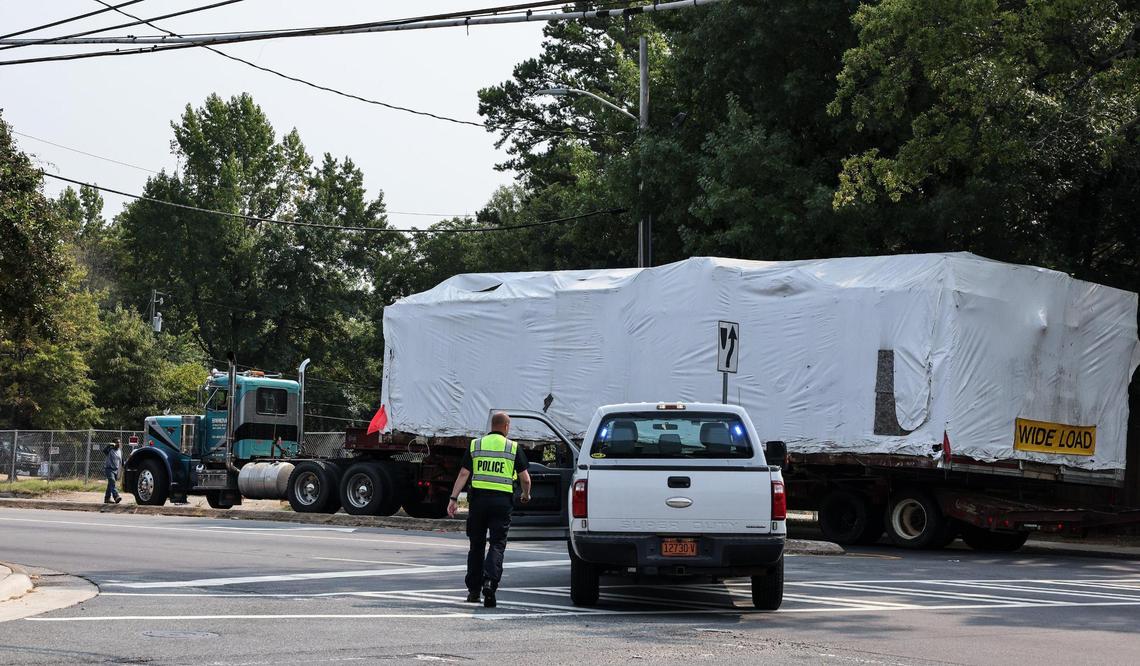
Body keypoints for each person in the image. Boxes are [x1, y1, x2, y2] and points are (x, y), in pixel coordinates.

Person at [447, 412, 531, 608]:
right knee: (497, 544)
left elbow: (464, 473)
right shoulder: (512, 447)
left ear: (491, 426)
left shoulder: (476, 445)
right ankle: (490, 583)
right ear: (507, 427)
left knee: (476, 545)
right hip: (502, 503)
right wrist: (526, 495)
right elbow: (525, 479)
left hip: (478, 502)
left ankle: (474, 591)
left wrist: (453, 498)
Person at [102, 438, 123, 504]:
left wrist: (124, 466)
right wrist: (109, 445)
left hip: (116, 470)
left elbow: (121, 460)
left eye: (119, 442)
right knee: (112, 481)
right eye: (117, 442)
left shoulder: (119, 451)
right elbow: (104, 451)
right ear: (113, 443)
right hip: (109, 469)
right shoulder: (110, 450)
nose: (118, 444)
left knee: (110, 484)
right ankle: (116, 496)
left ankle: (107, 498)